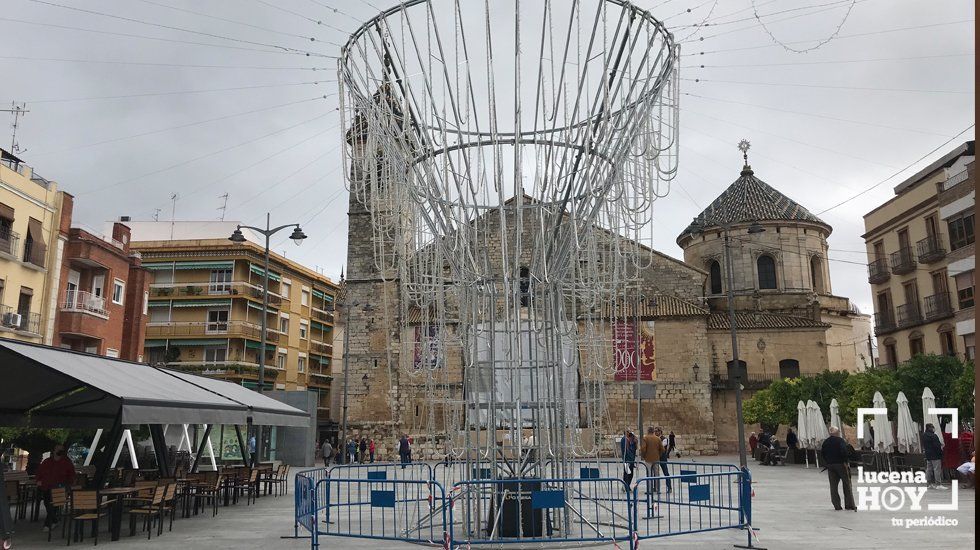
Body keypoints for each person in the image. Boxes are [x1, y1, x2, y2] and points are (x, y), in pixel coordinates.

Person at [36, 444, 76, 531]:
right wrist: (38, 481)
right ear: (54, 451)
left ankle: (48, 524)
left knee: (53, 504)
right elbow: (39, 473)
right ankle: (55, 520)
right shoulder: (47, 462)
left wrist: (68, 486)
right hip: (47, 487)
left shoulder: (66, 462)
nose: (60, 451)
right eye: (58, 450)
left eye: (61, 450)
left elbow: (72, 475)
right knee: (47, 503)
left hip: (60, 487)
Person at [821, 426, 856, 511]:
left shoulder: (826, 442)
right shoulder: (840, 441)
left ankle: (837, 506)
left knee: (833, 486)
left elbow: (822, 454)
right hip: (841, 464)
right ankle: (849, 505)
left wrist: (828, 462)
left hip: (830, 465)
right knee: (847, 484)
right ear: (836, 433)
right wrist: (845, 460)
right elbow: (844, 451)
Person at [640, 427, 666, 494]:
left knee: (649, 474)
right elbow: (662, 449)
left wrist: (643, 456)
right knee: (657, 474)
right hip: (656, 459)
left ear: (648, 431)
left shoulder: (645, 438)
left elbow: (643, 449)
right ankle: (657, 489)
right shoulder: (658, 439)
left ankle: (649, 490)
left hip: (648, 459)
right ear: (653, 431)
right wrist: (658, 455)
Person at [922, 423, 946, 489]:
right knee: (937, 469)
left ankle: (928, 484)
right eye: (932, 427)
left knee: (929, 469)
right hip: (935, 455)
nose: (933, 428)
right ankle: (938, 484)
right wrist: (941, 453)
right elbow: (937, 446)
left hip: (928, 455)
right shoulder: (934, 436)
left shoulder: (924, 435)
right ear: (930, 428)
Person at [653, 427, 671, 493]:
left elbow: (660, 447)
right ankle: (655, 487)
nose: (655, 433)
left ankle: (669, 487)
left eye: (657, 431)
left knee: (666, 472)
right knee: (655, 474)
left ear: (660, 432)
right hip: (656, 458)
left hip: (662, 458)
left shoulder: (664, 439)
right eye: (654, 431)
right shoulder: (654, 439)